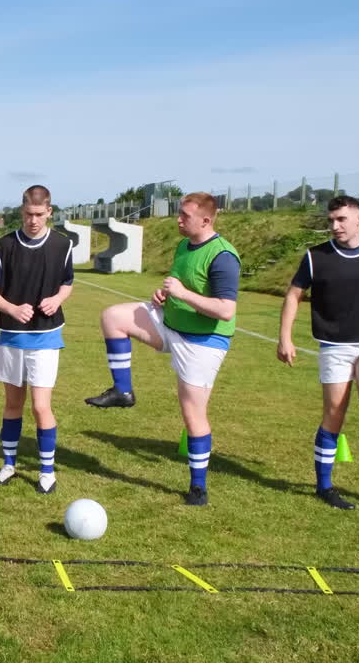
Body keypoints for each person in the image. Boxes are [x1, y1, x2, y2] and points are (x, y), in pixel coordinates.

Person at [85, 192, 240, 507]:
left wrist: (182, 292)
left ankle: (198, 488)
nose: (178, 219)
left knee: (193, 414)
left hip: (202, 342)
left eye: (185, 215)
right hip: (170, 325)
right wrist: (163, 296)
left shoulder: (223, 256)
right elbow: (183, 286)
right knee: (113, 317)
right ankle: (122, 391)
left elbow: (225, 310)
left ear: (206, 220)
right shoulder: (184, 245)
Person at [277, 195, 359, 510]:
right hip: (334, 345)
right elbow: (294, 296)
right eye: (331, 221)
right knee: (334, 414)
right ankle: (324, 487)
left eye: (341, 220)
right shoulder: (315, 257)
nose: (335, 226)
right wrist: (285, 338)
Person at [0, 185, 74, 494]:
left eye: (38, 215)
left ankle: (47, 471)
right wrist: (11, 308)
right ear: (21, 212)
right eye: (27, 215)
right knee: (12, 403)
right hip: (11, 337)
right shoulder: (4, 246)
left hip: (46, 337)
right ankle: (9, 465)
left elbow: (67, 283)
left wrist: (58, 299)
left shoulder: (62, 245)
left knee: (40, 406)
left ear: (49, 211)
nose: (33, 221)